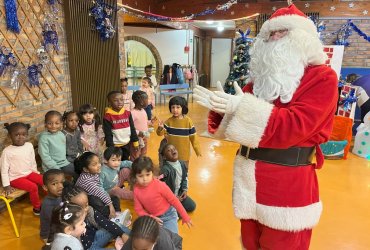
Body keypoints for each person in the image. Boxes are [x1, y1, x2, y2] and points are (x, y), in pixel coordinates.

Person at [194, 4, 338, 249]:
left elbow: (294, 126)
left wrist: (241, 107)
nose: (274, 39)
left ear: (304, 39)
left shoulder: (322, 78)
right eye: (270, 34)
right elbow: (237, 122)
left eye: (283, 32)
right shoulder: (259, 82)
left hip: (288, 185)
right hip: (248, 181)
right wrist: (221, 109)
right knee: (251, 243)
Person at [131, 156, 192, 234]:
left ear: (152, 172)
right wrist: (151, 217)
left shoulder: (160, 185)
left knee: (173, 239)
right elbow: (138, 209)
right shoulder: (136, 190)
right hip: (152, 218)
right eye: (140, 176)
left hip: (168, 215)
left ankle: (177, 217)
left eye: (147, 174)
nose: (145, 179)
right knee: (151, 240)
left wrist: (185, 216)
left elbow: (174, 200)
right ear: (135, 176)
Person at [62, 185, 130, 250]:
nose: (86, 209)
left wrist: (122, 234)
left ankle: (136, 238)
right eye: (80, 207)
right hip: (88, 248)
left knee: (117, 226)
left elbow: (105, 223)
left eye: (86, 204)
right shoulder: (67, 223)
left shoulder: (89, 210)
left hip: (96, 237)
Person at [0, 122, 43, 215]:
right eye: (17, 135)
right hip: (15, 178)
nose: (20, 137)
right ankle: (37, 208)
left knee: (45, 180)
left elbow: (32, 161)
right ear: (10, 136)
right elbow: (3, 170)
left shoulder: (29, 146)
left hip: (29, 173)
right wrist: (6, 185)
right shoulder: (7, 151)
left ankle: (54, 202)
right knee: (33, 187)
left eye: (24, 134)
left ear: (27, 135)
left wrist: (36, 173)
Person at [156, 96, 201, 168]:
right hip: (171, 153)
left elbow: (193, 137)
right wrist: (160, 128)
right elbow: (160, 133)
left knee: (184, 170)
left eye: (178, 107)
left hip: (184, 153)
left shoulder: (188, 121)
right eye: (173, 107)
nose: (175, 110)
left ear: (183, 108)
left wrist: (197, 150)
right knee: (172, 170)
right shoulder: (168, 121)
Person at [75, 151, 119, 219]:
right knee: (95, 200)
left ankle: (118, 214)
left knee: (115, 197)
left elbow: (100, 189)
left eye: (98, 162)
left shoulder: (94, 172)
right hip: (87, 203)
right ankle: (108, 216)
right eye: (94, 164)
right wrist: (111, 206)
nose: (99, 165)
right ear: (86, 169)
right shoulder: (86, 181)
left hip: (96, 194)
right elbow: (99, 192)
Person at [38, 110, 79, 180]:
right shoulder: (44, 138)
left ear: (61, 123)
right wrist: (56, 167)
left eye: (57, 123)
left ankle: (78, 188)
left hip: (64, 163)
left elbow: (64, 149)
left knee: (78, 172)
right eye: (50, 123)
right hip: (50, 167)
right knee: (60, 181)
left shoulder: (61, 134)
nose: (53, 126)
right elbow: (45, 156)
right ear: (45, 124)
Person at [103, 90, 139, 160]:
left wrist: (135, 142)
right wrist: (111, 147)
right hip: (115, 146)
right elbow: (108, 134)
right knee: (116, 162)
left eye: (121, 99)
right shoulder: (107, 117)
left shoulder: (127, 113)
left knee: (125, 160)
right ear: (109, 102)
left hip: (127, 144)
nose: (119, 102)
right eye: (116, 100)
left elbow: (132, 128)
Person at [160, 144, 196, 213]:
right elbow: (162, 188)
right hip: (169, 198)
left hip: (179, 194)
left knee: (192, 206)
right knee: (178, 214)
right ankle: (173, 208)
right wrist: (174, 198)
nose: (173, 150)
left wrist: (184, 190)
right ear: (164, 157)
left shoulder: (182, 164)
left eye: (174, 148)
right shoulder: (165, 169)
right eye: (168, 150)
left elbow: (185, 178)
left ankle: (177, 207)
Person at [40, 169, 65, 244]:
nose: (60, 186)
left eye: (62, 182)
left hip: (57, 228)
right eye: (54, 184)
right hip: (49, 236)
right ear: (45, 187)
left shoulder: (58, 195)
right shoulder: (47, 205)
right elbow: (57, 221)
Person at [130, 90, 153, 160]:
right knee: (135, 154)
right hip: (136, 139)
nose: (148, 100)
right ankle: (134, 168)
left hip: (144, 137)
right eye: (147, 99)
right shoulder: (132, 113)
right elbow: (130, 127)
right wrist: (138, 133)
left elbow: (144, 122)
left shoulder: (143, 110)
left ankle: (142, 167)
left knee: (143, 153)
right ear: (141, 102)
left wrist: (150, 122)